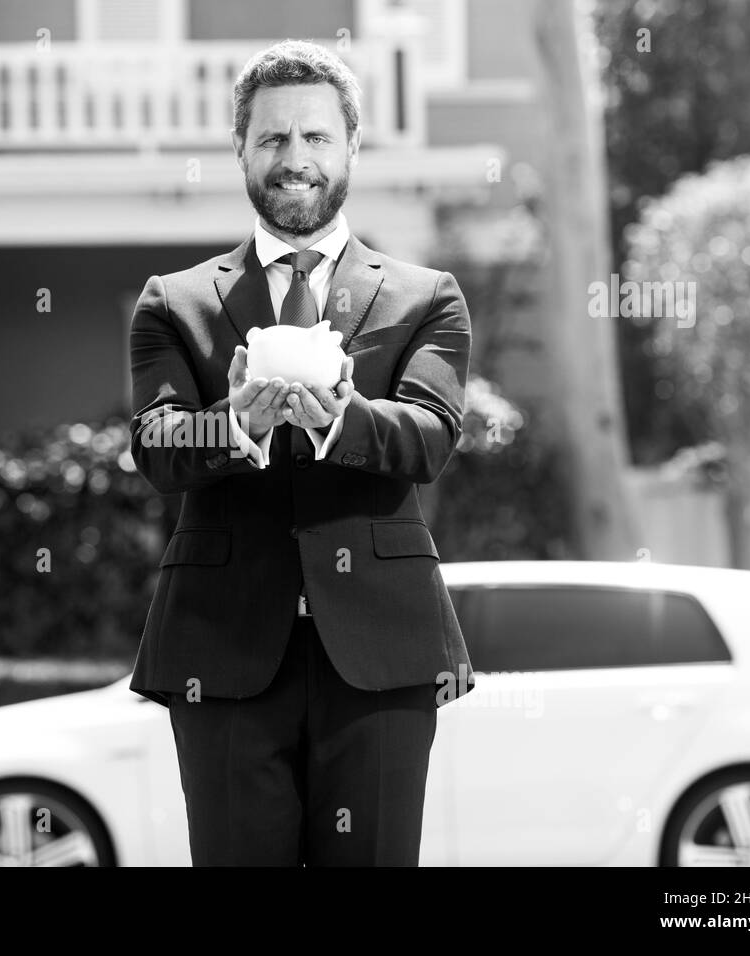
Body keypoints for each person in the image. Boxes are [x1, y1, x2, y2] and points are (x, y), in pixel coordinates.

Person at [127, 39, 476, 866]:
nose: (295, 159)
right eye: (273, 138)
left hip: (383, 653)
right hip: (220, 652)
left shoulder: (426, 296)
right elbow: (158, 444)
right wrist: (234, 425)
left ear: (352, 147)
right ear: (240, 149)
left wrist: (342, 421)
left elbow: (431, 436)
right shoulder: (174, 303)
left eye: (316, 137)